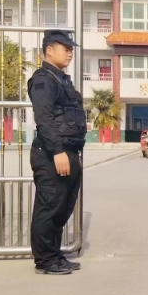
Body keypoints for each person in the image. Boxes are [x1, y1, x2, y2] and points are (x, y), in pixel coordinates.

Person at [27, 30, 85, 275]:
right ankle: (45, 260)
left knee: (62, 208)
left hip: (68, 151)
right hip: (52, 154)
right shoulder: (43, 80)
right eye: (65, 48)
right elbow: (45, 119)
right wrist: (58, 152)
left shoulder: (61, 80)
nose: (70, 53)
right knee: (49, 206)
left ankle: (54, 255)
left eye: (71, 49)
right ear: (49, 50)